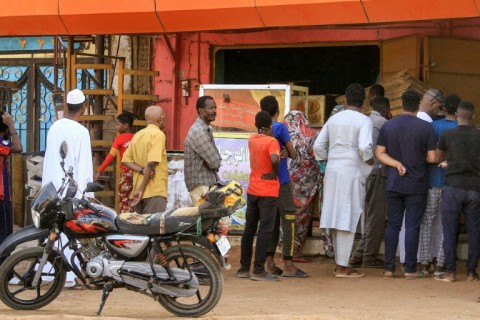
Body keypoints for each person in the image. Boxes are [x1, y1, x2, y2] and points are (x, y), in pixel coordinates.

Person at [314, 83, 373, 278]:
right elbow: (365, 148)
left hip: (332, 170)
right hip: (352, 171)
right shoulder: (364, 120)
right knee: (347, 216)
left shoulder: (334, 119)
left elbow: (318, 147)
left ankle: (341, 263)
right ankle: (342, 267)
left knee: (336, 215)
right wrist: (371, 162)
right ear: (363, 102)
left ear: (345, 100)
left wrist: (329, 161)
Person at [375, 90, 437, 279]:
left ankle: (388, 268)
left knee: (393, 225)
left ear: (401, 104)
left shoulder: (389, 126)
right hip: (417, 183)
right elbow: (432, 157)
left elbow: (379, 153)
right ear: (418, 104)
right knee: (412, 226)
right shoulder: (425, 127)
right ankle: (410, 269)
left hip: (394, 182)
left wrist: (396, 164)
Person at [42, 88, 93, 288]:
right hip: (72, 190)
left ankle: (52, 270)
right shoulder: (81, 132)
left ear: (66, 107)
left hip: (53, 187)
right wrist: (86, 193)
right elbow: (84, 165)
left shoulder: (55, 127)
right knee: (73, 231)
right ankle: (72, 274)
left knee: (54, 229)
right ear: (84, 107)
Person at [260, 96, 307, 278]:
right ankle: (288, 263)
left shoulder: (260, 132)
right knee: (289, 220)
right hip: (282, 180)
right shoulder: (280, 127)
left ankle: (269, 262)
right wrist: (288, 151)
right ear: (277, 111)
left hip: (266, 182)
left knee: (272, 221)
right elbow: (294, 154)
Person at [435, 101, 480, 283]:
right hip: (475, 188)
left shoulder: (447, 134)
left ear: (456, 115)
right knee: (475, 231)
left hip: (453, 186)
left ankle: (450, 272)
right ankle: (471, 272)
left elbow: (438, 157)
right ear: (474, 116)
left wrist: (449, 162)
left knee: (450, 230)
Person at [418, 94, 459, 276]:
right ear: (458, 111)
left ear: (443, 108)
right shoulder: (462, 128)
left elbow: (427, 154)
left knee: (426, 222)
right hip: (453, 183)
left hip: (433, 181)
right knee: (447, 224)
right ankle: (441, 264)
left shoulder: (432, 127)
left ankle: (425, 263)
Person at [237, 111, 280, 281]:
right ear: (270, 125)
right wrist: (273, 173)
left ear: (256, 125)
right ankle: (259, 270)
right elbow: (275, 159)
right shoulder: (272, 141)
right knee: (265, 230)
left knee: (249, 229)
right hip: (268, 190)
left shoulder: (251, 140)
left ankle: (244, 268)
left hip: (253, 188)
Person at [350, 96, 391, 268]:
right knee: (376, 216)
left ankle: (359, 254)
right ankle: (369, 256)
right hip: (378, 172)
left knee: (369, 214)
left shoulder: (366, 119)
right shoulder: (383, 123)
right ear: (386, 109)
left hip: (364, 173)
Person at [283, 110, 322, 261]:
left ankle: (286, 249)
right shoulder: (311, 134)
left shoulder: (283, 133)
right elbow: (317, 153)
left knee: (287, 216)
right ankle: (296, 252)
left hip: (286, 182)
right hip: (305, 183)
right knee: (301, 216)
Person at [122, 106, 167, 214]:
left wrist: (141, 170)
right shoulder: (158, 135)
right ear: (159, 119)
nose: (165, 120)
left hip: (137, 191)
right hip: (154, 191)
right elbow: (151, 164)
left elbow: (125, 160)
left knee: (139, 228)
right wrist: (142, 189)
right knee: (153, 227)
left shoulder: (138, 135)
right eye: (164, 117)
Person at [184, 96, 222, 205]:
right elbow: (215, 162)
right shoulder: (198, 131)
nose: (214, 111)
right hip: (201, 187)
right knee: (207, 220)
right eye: (211, 108)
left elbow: (216, 160)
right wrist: (212, 162)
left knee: (209, 220)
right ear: (201, 110)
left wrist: (212, 162)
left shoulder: (204, 129)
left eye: (215, 108)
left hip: (205, 185)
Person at [94, 113, 135, 213]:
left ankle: (125, 223)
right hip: (138, 174)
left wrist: (100, 170)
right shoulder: (137, 137)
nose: (116, 127)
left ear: (126, 125)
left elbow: (111, 156)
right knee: (135, 200)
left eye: (118, 124)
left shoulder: (119, 139)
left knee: (124, 200)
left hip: (126, 175)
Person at [0, 111, 22, 246]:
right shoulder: (2, 143)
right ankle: (5, 266)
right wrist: (12, 125)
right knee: (6, 237)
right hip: (1, 197)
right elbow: (18, 147)